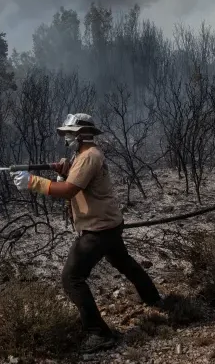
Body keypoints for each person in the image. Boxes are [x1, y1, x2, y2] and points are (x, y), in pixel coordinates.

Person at [11, 113, 163, 354]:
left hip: (97, 230)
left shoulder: (88, 156)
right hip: (108, 225)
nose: (66, 138)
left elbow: (69, 190)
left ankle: (100, 334)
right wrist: (63, 172)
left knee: (71, 278)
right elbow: (75, 183)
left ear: (82, 134)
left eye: (70, 133)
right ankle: (155, 300)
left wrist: (33, 183)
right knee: (124, 263)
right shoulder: (83, 156)